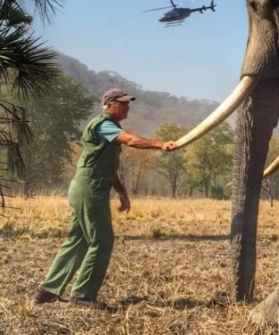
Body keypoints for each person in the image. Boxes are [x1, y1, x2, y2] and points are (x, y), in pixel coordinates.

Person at [33, 88, 177, 308]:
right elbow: (130, 140)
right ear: (109, 105)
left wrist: (122, 193)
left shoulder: (111, 127)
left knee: (78, 239)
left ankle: (47, 291)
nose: (127, 107)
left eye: (128, 103)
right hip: (89, 188)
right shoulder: (103, 125)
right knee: (102, 240)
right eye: (123, 103)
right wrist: (160, 144)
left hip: (88, 187)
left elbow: (109, 168)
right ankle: (82, 295)